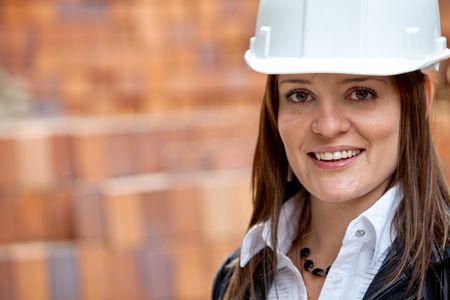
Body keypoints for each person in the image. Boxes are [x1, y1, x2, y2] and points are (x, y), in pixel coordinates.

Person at [212, 0, 450, 299]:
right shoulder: (235, 278)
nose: (327, 126)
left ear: (420, 102)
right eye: (300, 95)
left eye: (361, 93)